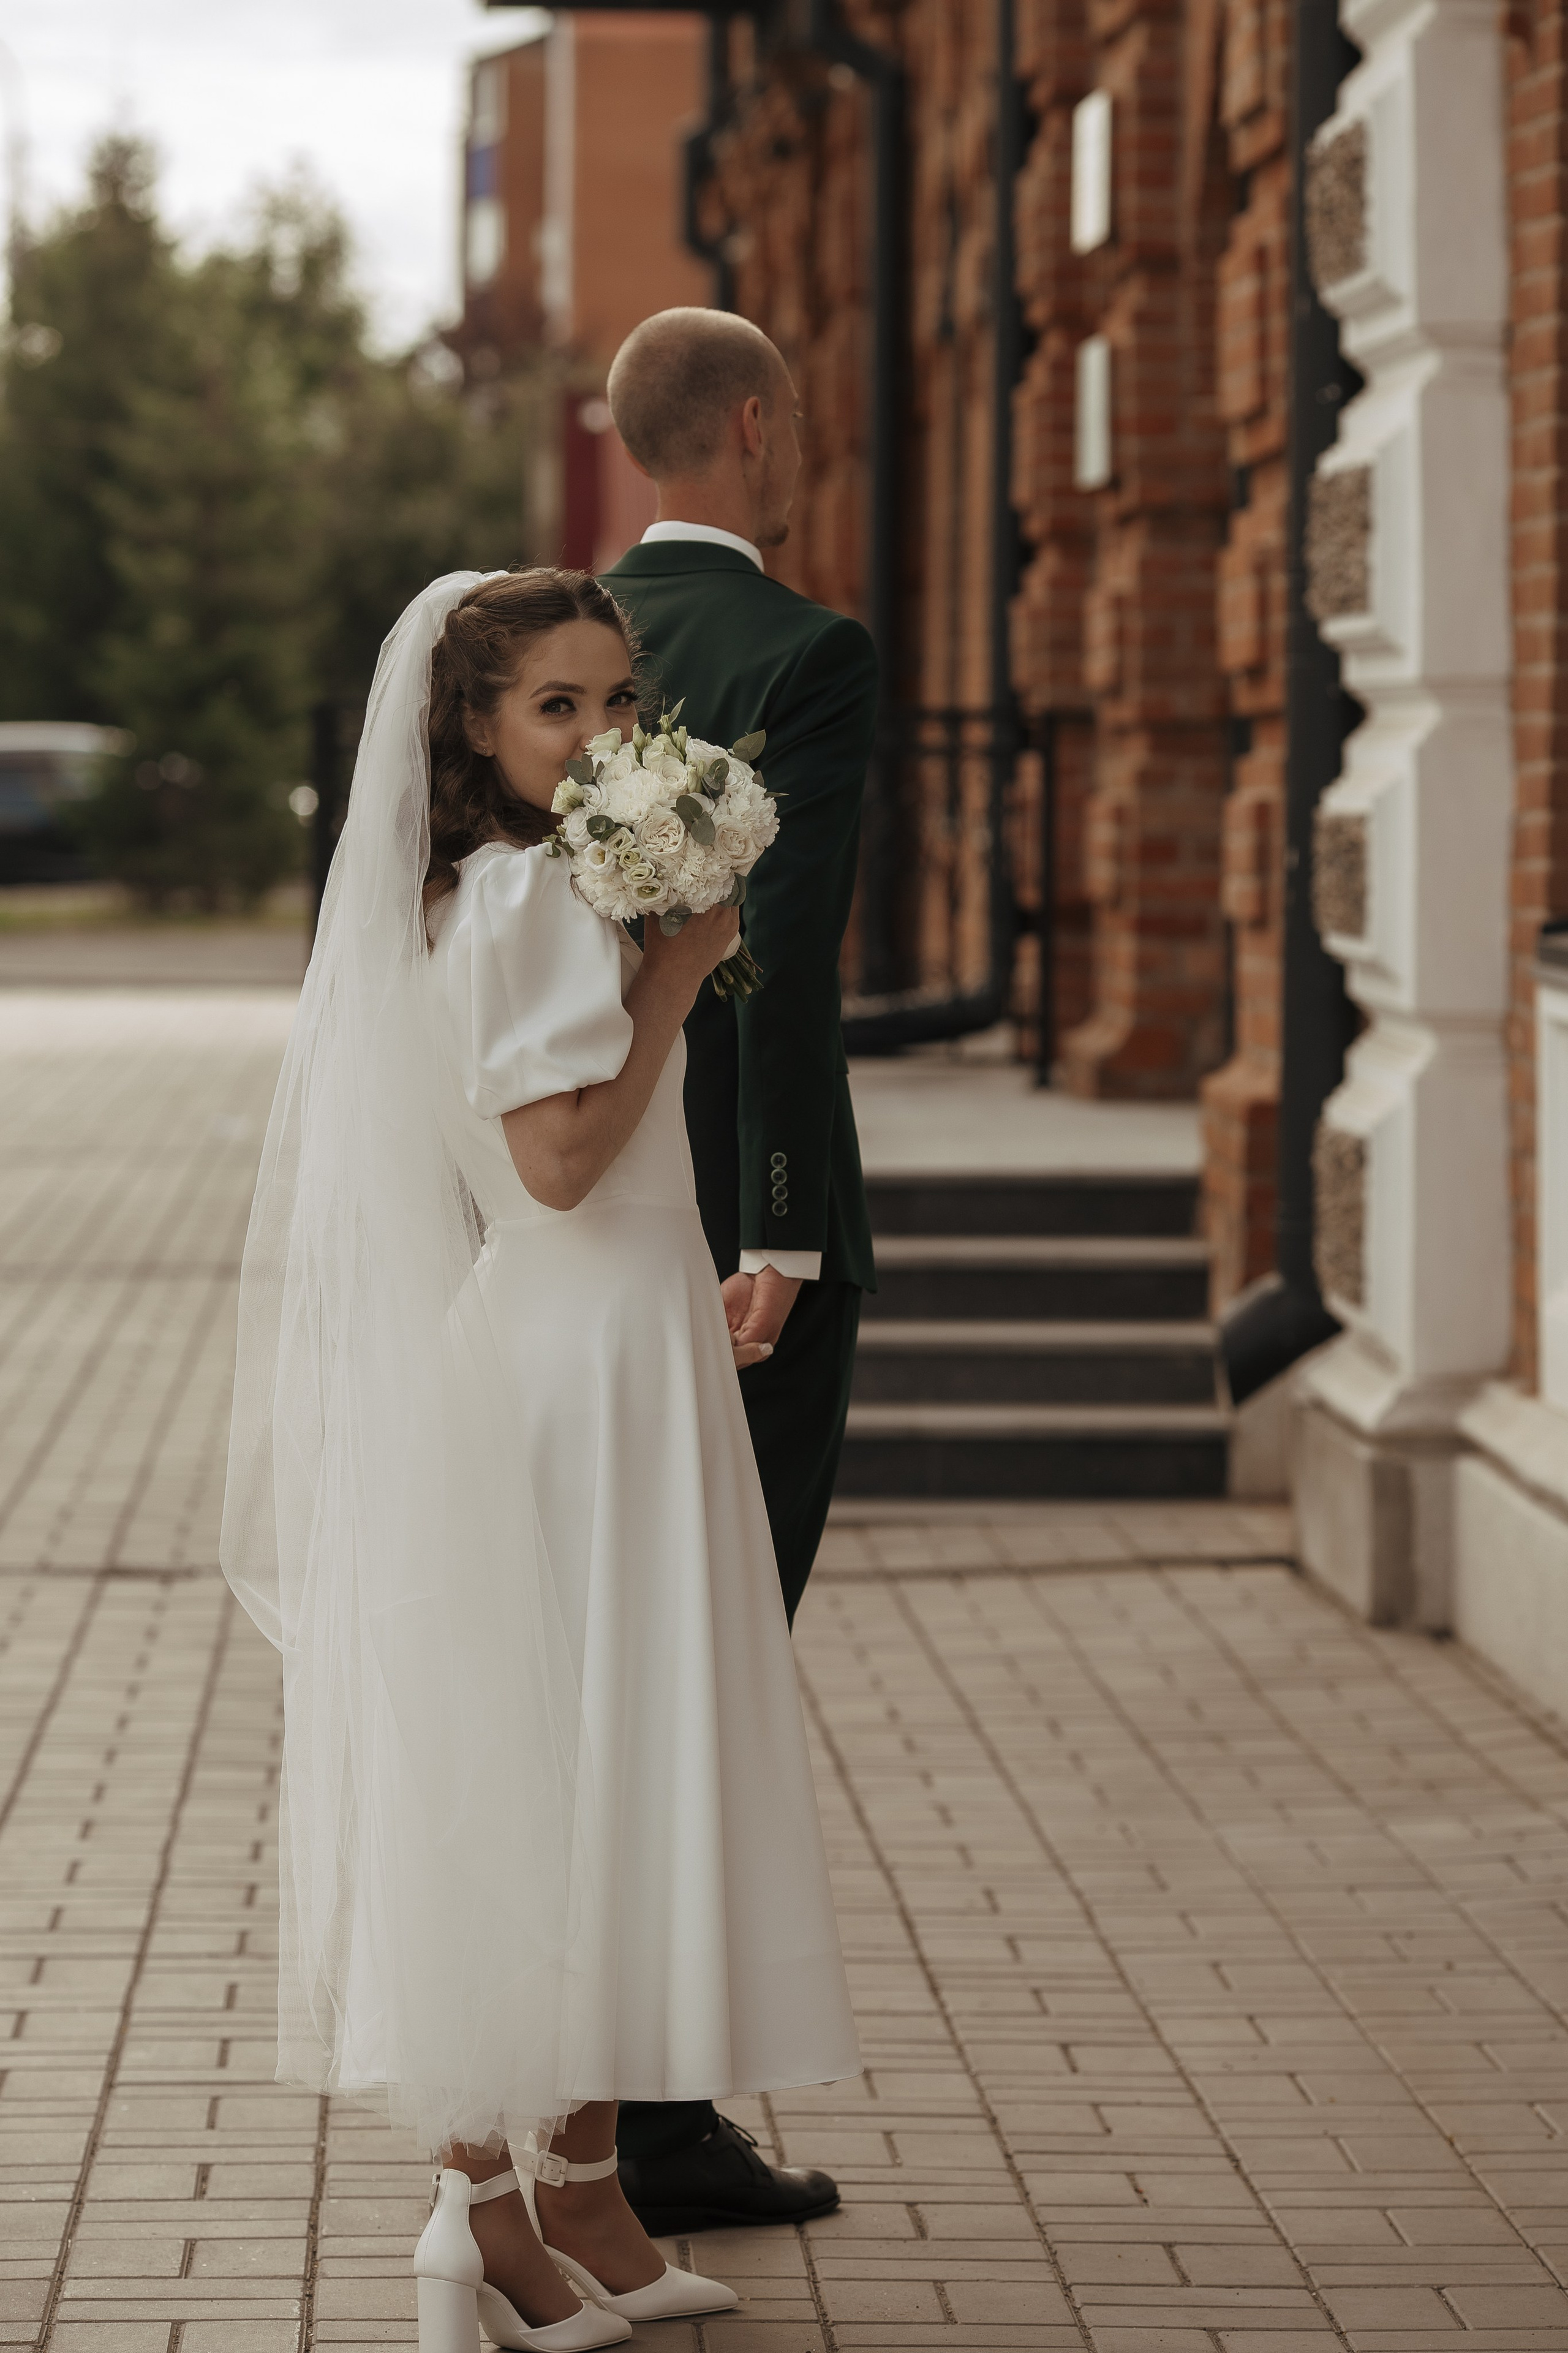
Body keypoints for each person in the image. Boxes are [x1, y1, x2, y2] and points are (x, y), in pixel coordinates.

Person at [219, 567, 859, 2353]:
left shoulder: (520, 886)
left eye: (615, 700)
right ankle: (497, 2210)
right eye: (553, 707)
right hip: (579, 1359)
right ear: (476, 732)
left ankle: (558, 2192)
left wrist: (653, 938)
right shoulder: (520, 902)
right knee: (570, 1766)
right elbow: (565, 1161)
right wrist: (680, 963)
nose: (597, 736)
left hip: (613, 1345)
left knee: (583, 1772)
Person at [600, 309, 877, 2234]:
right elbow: (776, 955)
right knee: (710, 1658)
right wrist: (778, 1222)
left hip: (567, 1205)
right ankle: (662, 2118)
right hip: (729, 1225)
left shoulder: (540, 653)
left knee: (601, 1652)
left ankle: (591, 2091)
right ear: (758, 428)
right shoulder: (807, 654)